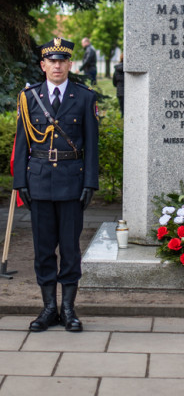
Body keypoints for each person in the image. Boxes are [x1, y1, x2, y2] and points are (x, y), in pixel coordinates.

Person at [13, 37, 99, 333]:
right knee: (44, 248)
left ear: (69, 64)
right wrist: (19, 181)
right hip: (38, 181)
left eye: (62, 61)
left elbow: (91, 144)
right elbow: (22, 142)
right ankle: (49, 308)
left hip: (71, 183)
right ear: (43, 65)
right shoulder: (29, 98)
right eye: (52, 61)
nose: (57, 65)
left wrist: (90, 182)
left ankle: (69, 309)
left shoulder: (85, 97)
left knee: (71, 249)